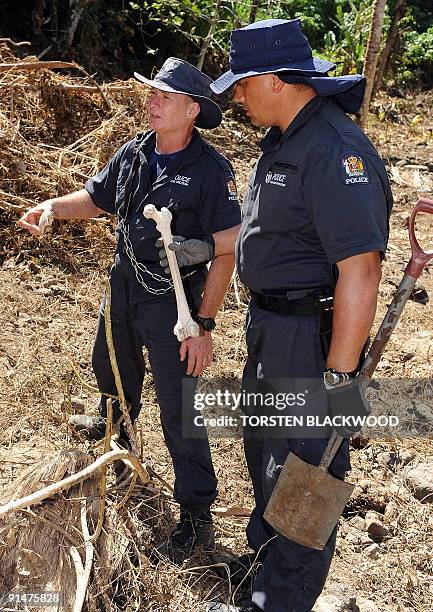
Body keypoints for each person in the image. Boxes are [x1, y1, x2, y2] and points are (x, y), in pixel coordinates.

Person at [159, 20, 393, 612]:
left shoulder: (335, 150)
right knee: (267, 450)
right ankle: (265, 561)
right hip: (270, 327)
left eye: (242, 85)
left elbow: (360, 272)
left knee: (308, 470)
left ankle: (281, 597)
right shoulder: (284, 139)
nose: (236, 96)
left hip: (310, 340)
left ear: (275, 80)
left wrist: (340, 380)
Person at [18, 57, 241, 563]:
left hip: (176, 301)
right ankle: (119, 459)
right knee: (112, 377)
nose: (152, 102)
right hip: (124, 288)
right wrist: (53, 207)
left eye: (164, 96)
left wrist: (203, 324)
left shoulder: (210, 172)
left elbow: (227, 250)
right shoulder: (135, 153)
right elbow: (98, 199)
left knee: (179, 407)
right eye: (152, 94)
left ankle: (196, 513)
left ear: (192, 109)